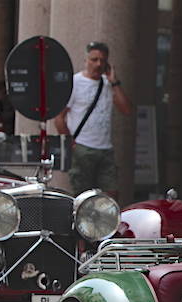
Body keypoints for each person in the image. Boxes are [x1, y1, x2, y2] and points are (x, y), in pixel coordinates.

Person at [55, 41, 132, 199]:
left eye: (102, 60)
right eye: (94, 59)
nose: (98, 64)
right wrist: (71, 144)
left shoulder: (108, 84)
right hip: (82, 147)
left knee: (111, 194)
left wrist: (114, 82)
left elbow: (126, 109)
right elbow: (59, 117)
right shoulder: (75, 82)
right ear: (86, 60)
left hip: (105, 148)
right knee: (83, 197)